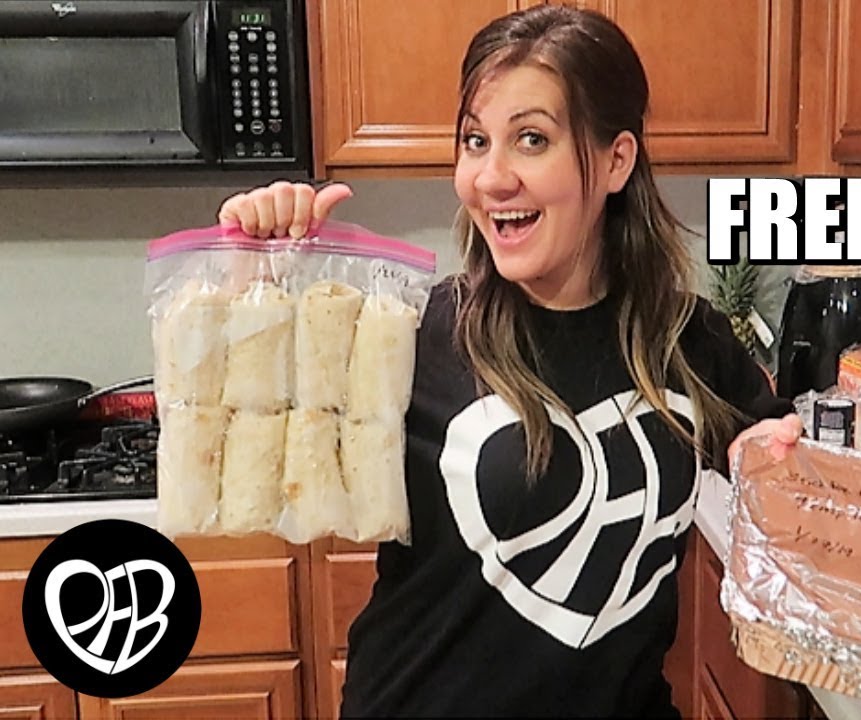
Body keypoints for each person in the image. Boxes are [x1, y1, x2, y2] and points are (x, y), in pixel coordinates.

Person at [217, 5, 802, 717]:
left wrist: (774, 461)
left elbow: (768, 449)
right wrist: (255, 287)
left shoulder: (688, 340)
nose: (491, 178)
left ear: (616, 160)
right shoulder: (412, 336)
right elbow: (263, 464)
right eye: (475, 141)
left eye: (531, 139)